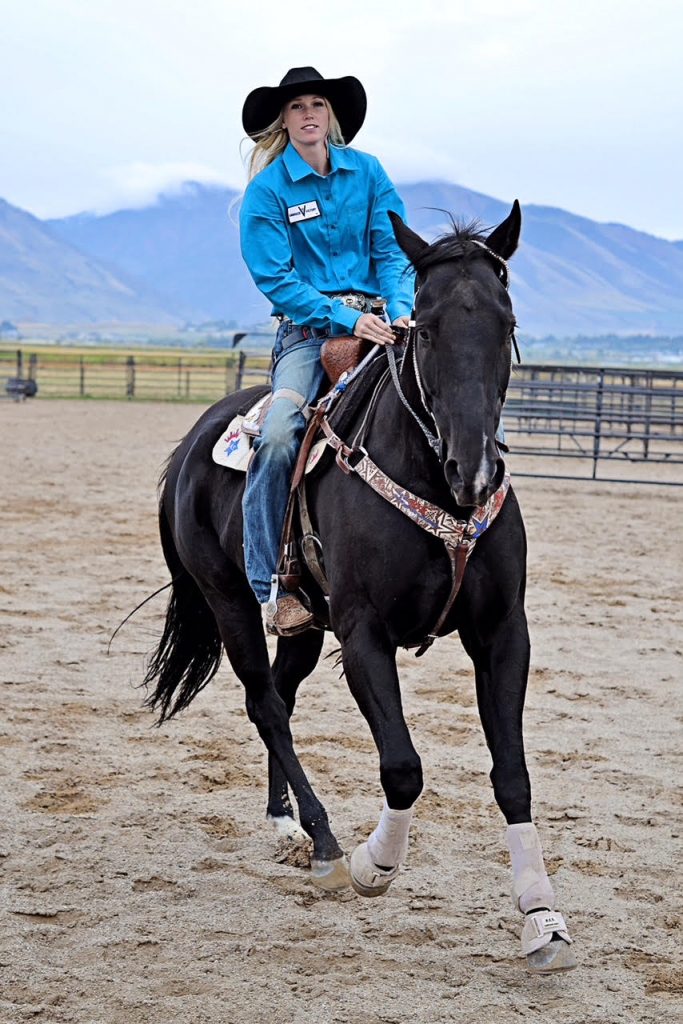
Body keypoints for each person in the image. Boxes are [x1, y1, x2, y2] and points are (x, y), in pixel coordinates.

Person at [239, 66, 414, 636]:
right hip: (308, 336)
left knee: (447, 399)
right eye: (296, 107)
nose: (309, 114)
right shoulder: (266, 192)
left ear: (331, 115)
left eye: (318, 104)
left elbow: (391, 249)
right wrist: (347, 318)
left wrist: (401, 306)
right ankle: (272, 586)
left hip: (384, 323)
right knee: (281, 434)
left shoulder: (368, 172)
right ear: (282, 121)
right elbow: (277, 279)